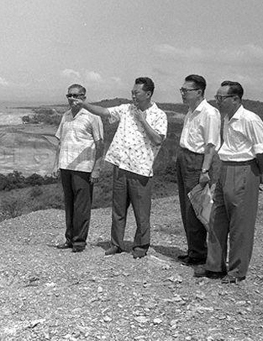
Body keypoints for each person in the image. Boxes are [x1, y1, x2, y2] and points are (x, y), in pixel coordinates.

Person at [71, 77, 167, 258]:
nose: (133, 96)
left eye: (136, 93)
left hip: (141, 170)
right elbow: (105, 112)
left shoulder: (159, 115)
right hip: (121, 166)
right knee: (118, 210)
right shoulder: (126, 109)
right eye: (132, 92)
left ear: (148, 94)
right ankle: (116, 243)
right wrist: (84, 104)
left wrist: (143, 120)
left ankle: (141, 245)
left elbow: (157, 139)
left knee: (141, 212)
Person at [195, 81, 263, 283]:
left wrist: (256, 173)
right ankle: (214, 265)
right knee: (216, 219)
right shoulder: (225, 118)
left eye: (221, 98)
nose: (217, 101)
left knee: (240, 224)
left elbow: (262, 152)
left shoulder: (250, 119)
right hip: (226, 168)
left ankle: (237, 270)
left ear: (235, 98)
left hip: (244, 168)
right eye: (217, 97)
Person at [51, 84, 104, 252]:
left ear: (84, 97)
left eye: (76, 95)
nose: (72, 99)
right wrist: (55, 164)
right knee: (69, 204)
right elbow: (60, 142)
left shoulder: (92, 116)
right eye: (70, 95)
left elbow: (100, 143)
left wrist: (97, 168)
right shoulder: (65, 116)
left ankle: (79, 241)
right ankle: (69, 239)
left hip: (84, 167)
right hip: (66, 165)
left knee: (81, 205)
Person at [176, 75, 220, 266]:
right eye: (182, 90)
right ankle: (194, 249)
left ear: (199, 92)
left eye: (186, 90)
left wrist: (205, 170)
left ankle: (200, 253)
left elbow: (210, 146)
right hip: (184, 157)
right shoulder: (190, 111)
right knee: (186, 206)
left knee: (196, 206)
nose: (183, 93)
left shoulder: (209, 113)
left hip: (198, 161)